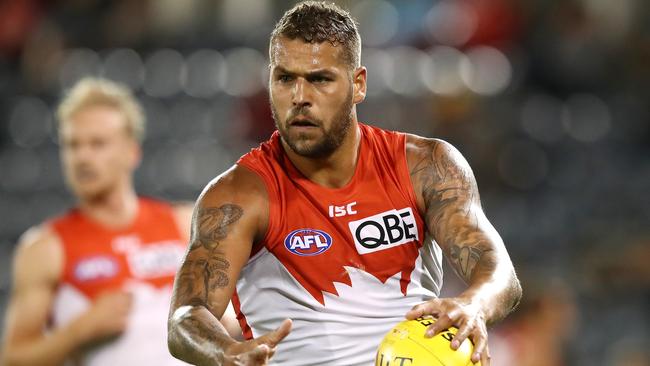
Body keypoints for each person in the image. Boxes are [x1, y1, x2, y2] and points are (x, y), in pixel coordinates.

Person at [167, 2, 522, 366]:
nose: (299, 97)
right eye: (285, 78)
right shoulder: (239, 194)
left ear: (358, 84)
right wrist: (226, 352)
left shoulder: (426, 165)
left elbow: (498, 271)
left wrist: (474, 303)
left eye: (320, 79)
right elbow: (186, 317)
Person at [0, 77, 240, 366]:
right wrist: (78, 332)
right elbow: (12, 359)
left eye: (97, 144)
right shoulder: (45, 248)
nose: (83, 157)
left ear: (131, 151)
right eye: (72, 145)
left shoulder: (184, 223)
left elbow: (228, 322)